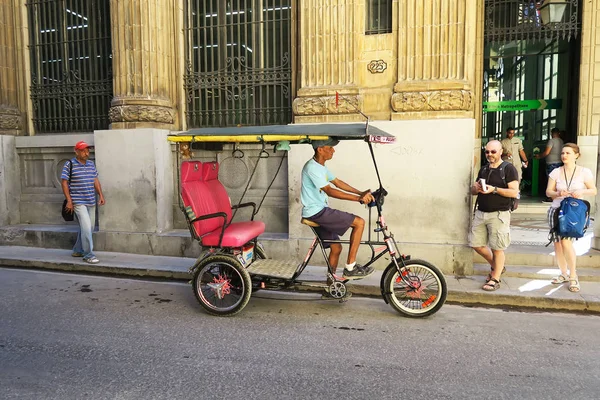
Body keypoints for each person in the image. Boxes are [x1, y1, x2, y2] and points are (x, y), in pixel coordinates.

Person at [301, 139, 375, 281]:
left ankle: (332, 284)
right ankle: (350, 268)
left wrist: (360, 193)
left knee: (336, 248)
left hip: (319, 211)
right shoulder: (312, 168)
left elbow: (338, 183)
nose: (333, 150)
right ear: (320, 149)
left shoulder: (321, 167)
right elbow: (330, 191)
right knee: (359, 223)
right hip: (316, 212)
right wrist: (358, 199)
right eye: (330, 147)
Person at [545, 143, 597, 293]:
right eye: (562, 153)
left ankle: (573, 275)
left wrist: (581, 191)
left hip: (573, 212)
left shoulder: (584, 172)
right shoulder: (556, 172)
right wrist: (558, 194)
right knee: (558, 244)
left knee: (566, 242)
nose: (564, 156)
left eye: (568, 153)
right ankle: (563, 273)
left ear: (576, 155)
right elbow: (548, 191)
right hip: (556, 210)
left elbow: (593, 190)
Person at [470, 140, 519, 291]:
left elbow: (513, 192)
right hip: (481, 212)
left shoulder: (508, 169)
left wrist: (494, 190)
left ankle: (495, 277)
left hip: (499, 214)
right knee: (476, 245)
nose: (489, 154)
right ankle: (497, 266)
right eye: (487, 152)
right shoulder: (484, 169)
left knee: (497, 248)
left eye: (493, 152)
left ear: (500, 151)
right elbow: (473, 191)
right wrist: (475, 188)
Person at [61, 141, 105, 264]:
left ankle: (77, 249)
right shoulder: (69, 164)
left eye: (87, 150)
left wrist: (100, 195)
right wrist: (69, 201)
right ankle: (88, 255)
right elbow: (64, 183)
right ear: (76, 151)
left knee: (88, 228)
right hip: (78, 202)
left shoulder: (91, 164)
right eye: (83, 150)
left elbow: (95, 180)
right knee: (86, 227)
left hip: (91, 200)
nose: (86, 153)